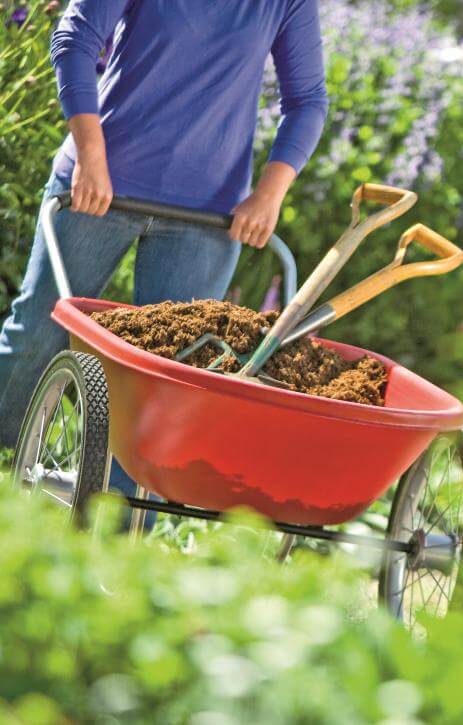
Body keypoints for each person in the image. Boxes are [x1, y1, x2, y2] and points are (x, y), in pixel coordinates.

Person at [0, 0, 328, 499]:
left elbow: (306, 100)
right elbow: (75, 39)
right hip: (97, 190)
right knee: (38, 336)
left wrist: (269, 193)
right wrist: (90, 155)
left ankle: (118, 530)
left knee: (169, 375)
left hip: (206, 217)